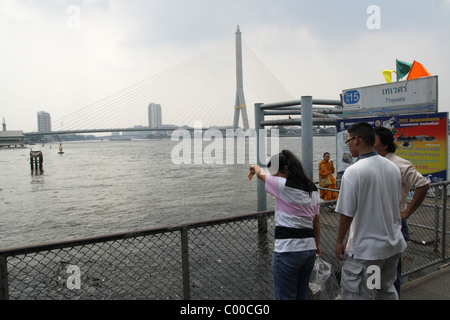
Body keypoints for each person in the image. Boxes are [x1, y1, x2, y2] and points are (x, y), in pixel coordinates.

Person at [335, 122, 407, 300]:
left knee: (360, 294)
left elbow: (347, 212)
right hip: (391, 247)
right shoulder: (392, 167)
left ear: (357, 140)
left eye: (349, 140)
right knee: (384, 291)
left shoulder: (353, 172)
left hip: (368, 253)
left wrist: (339, 241)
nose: (348, 144)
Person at [250, 150, 321, 300]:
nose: (274, 178)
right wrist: (318, 245)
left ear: (285, 168)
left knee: (285, 296)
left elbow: (260, 174)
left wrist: (255, 166)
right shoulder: (312, 188)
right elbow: (316, 221)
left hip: (288, 250)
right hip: (309, 250)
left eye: (275, 174)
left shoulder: (283, 185)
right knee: (301, 295)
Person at [374, 126, 430, 297]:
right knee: (377, 272)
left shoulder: (399, 164)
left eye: (373, 140)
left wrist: (407, 212)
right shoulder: (373, 163)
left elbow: (423, 184)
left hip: (395, 223)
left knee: (391, 273)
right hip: (377, 224)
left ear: (384, 145)